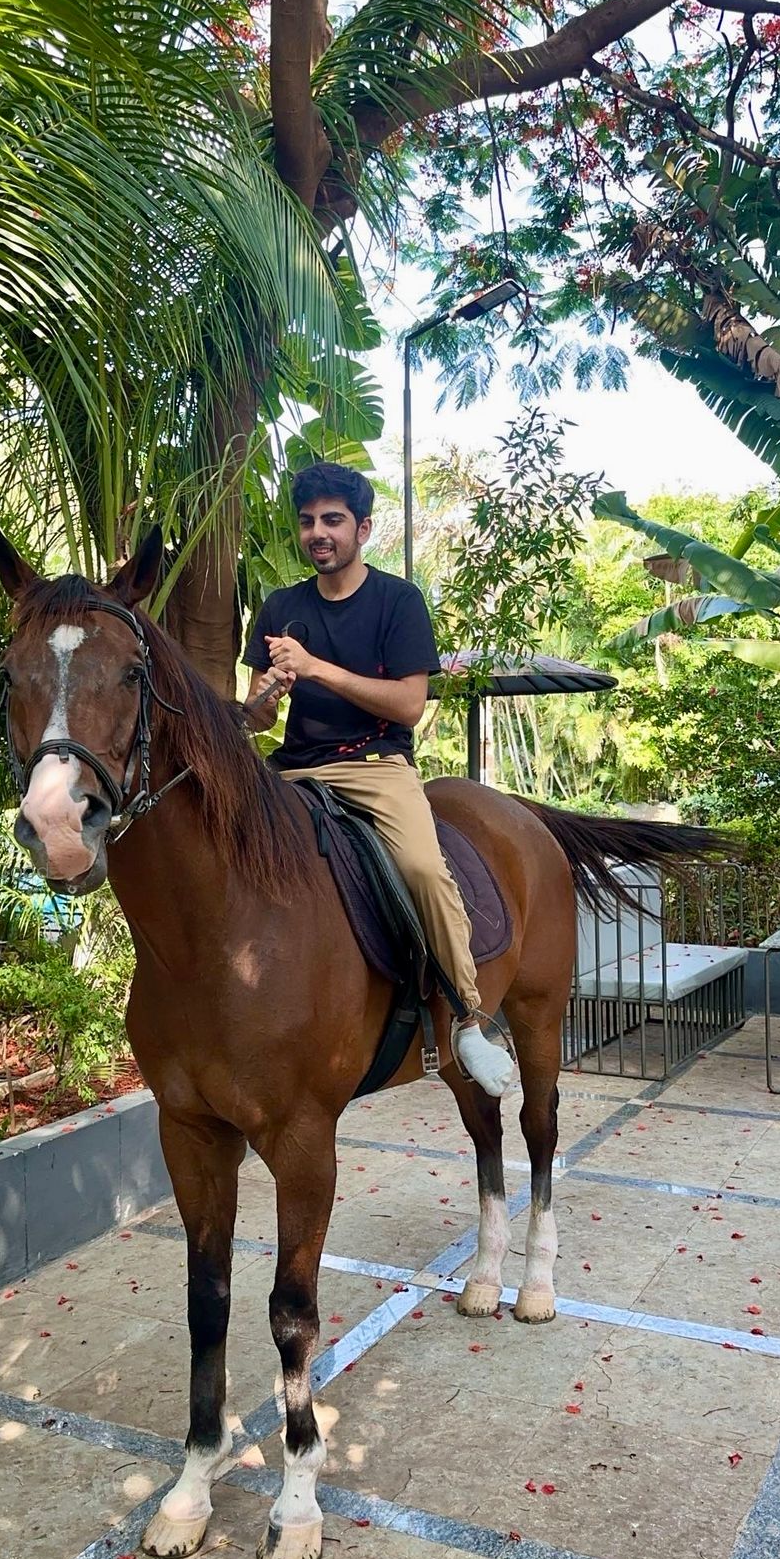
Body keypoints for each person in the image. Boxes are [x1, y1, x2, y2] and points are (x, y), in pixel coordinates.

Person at [242, 460, 513, 1099]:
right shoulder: (281, 606)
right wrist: (265, 694)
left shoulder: (397, 600)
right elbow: (256, 719)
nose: (318, 533)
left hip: (374, 768)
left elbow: (409, 706)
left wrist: (316, 667)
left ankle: (470, 1018)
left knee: (422, 868)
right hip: (293, 768)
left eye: (333, 520)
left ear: (362, 527)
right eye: (307, 522)